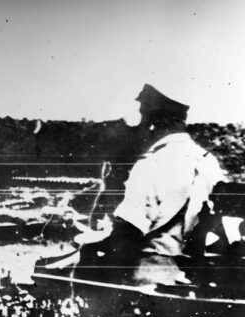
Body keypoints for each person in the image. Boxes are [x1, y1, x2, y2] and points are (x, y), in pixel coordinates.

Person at [82, 84, 226, 286]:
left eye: (143, 117)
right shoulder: (208, 161)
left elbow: (129, 232)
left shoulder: (152, 163)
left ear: (152, 122)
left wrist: (89, 244)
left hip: (148, 275)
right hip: (195, 277)